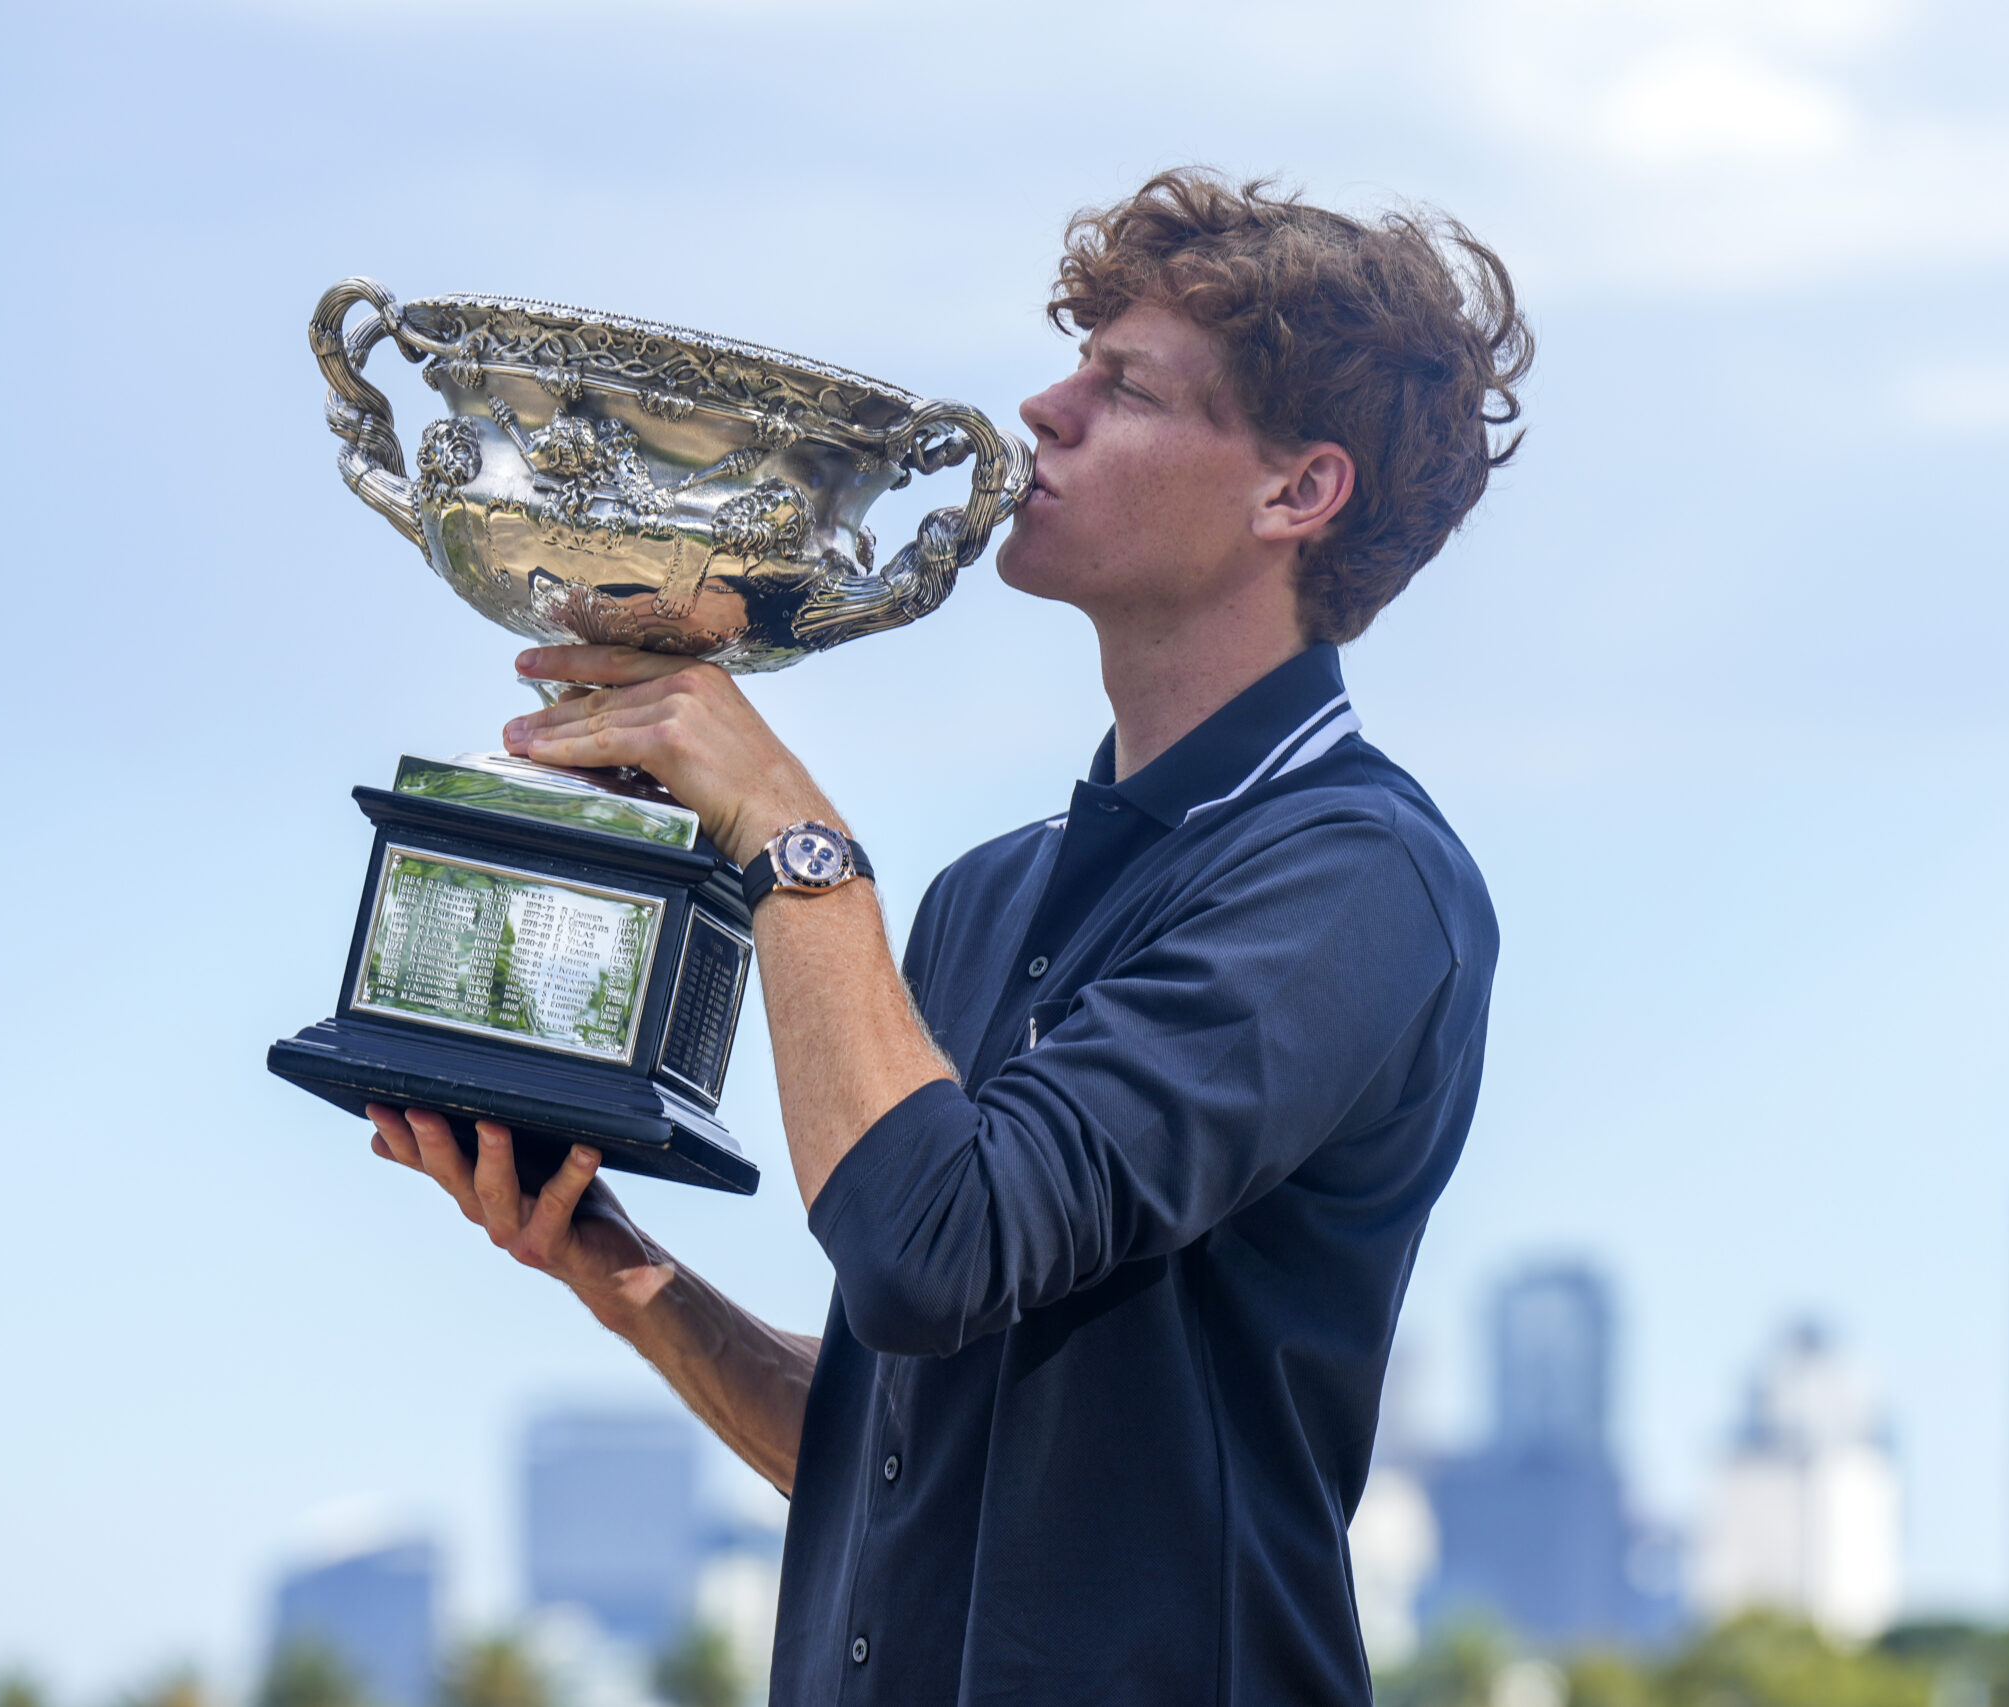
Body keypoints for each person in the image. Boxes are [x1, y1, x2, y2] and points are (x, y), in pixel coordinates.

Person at [364, 169, 1531, 1704]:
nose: (1044, 410)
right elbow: (898, 1468)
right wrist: (627, 1275)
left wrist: (793, 836)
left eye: (1125, 388)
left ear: (1295, 494)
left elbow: (928, 1251)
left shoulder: (1356, 884)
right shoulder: (992, 894)